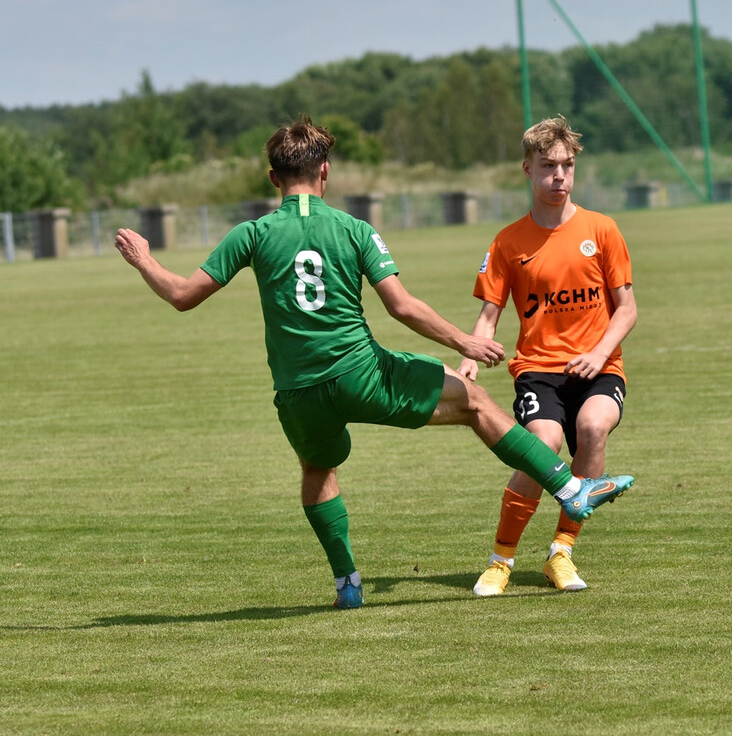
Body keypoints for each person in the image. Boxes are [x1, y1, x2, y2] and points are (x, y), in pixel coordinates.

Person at [114, 115, 633, 610]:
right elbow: (402, 307)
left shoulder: (250, 234)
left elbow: (183, 295)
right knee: (474, 401)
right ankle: (569, 487)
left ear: (274, 178)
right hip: (363, 375)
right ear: (325, 172)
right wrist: (464, 342)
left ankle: (347, 581)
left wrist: (145, 260)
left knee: (318, 467)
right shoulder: (354, 229)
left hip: (297, 392)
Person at [459, 115, 637, 596]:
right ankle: (501, 560)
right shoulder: (508, 242)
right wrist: (471, 354)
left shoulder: (602, 230)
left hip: (600, 366)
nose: (559, 175)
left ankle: (561, 552)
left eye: (567, 166)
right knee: (544, 443)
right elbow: (489, 315)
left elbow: (627, 309)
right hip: (538, 370)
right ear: (527, 170)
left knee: (593, 427)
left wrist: (600, 354)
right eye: (548, 166)